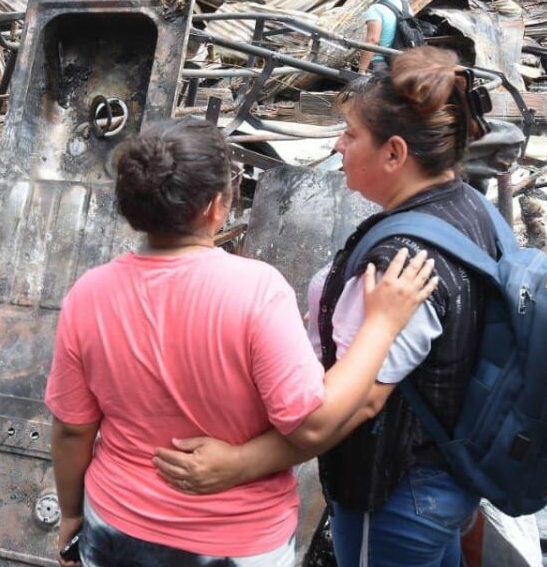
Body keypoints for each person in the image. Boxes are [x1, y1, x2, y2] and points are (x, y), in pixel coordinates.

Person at [153, 47, 500, 567]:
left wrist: (239, 464)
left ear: (394, 153)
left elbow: (347, 408)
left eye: (351, 134)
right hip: (444, 474)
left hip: (394, 494)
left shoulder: (398, 268)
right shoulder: (470, 207)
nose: (338, 145)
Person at [47, 117, 438, 567]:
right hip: (233, 542)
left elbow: (73, 429)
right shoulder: (256, 290)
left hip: (116, 527)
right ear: (216, 206)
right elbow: (311, 425)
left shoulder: (88, 294)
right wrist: (381, 326)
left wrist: (72, 514)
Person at [360, 0, 410, 76]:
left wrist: (362, 70)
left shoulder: (376, 9)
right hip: (403, 63)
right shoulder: (406, 6)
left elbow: (373, 40)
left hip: (381, 64)